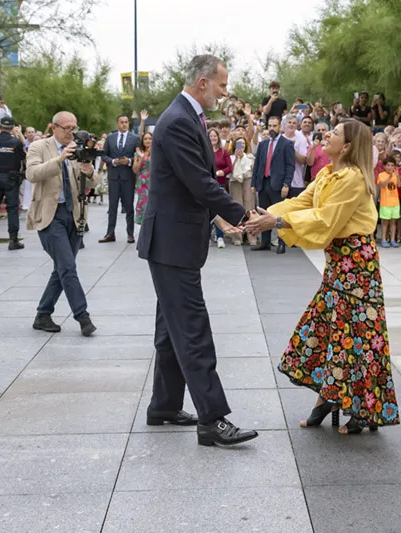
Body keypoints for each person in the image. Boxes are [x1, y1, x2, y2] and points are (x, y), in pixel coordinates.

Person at [245, 119, 400, 434]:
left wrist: (276, 223)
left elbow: (325, 218)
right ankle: (330, 396)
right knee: (332, 329)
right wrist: (262, 216)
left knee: (360, 334)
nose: (326, 134)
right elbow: (301, 203)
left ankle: (364, 408)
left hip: (357, 264)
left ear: (346, 147)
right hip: (338, 261)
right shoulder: (328, 173)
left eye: (335, 132)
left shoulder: (354, 178)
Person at [136, 54, 258, 447]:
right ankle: (212, 418)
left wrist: (218, 219)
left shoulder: (182, 117)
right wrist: (243, 215)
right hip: (172, 245)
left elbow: (188, 186)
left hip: (173, 241)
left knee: (171, 330)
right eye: (222, 85)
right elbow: (200, 182)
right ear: (203, 82)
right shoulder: (177, 121)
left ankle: (165, 405)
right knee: (192, 329)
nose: (225, 93)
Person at [26, 111, 100, 336]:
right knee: (67, 267)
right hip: (50, 215)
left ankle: (43, 313)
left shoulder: (79, 148)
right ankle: (83, 317)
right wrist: (59, 160)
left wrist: (89, 170)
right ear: (54, 128)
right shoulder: (39, 147)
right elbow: (32, 173)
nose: (72, 132)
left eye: (74, 127)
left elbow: (94, 182)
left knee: (62, 269)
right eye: (67, 128)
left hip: (75, 215)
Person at [251, 115, 295, 254]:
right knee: (264, 212)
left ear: (280, 127)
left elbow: (290, 166)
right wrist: (254, 183)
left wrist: (286, 184)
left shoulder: (286, 144)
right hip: (263, 183)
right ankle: (265, 242)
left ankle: (282, 243)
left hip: (278, 184)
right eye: (269, 126)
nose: (272, 128)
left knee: (279, 214)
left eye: (274, 126)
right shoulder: (263, 144)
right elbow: (257, 165)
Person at [0, 117, 26, 251]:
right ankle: (13, 240)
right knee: (12, 209)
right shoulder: (16, 142)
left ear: (0, 127)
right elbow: (22, 157)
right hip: (11, 178)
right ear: (12, 127)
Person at [100, 114, 140, 244]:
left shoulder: (134, 138)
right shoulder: (110, 138)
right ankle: (110, 233)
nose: (124, 124)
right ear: (117, 123)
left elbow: (140, 156)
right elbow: (104, 155)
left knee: (129, 207)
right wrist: (112, 161)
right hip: (114, 176)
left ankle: (130, 234)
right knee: (112, 207)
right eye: (122, 122)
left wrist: (129, 161)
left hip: (128, 177)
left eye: (126, 122)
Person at [133, 131, 152, 225]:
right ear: (142, 141)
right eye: (145, 139)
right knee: (143, 202)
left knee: (152, 203)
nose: (148, 141)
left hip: (154, 181)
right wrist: (141, 157)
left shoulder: (157, 153)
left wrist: (145, 155)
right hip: (142, 182)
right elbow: (135, 170)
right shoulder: (138, 153)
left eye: (150, 139)